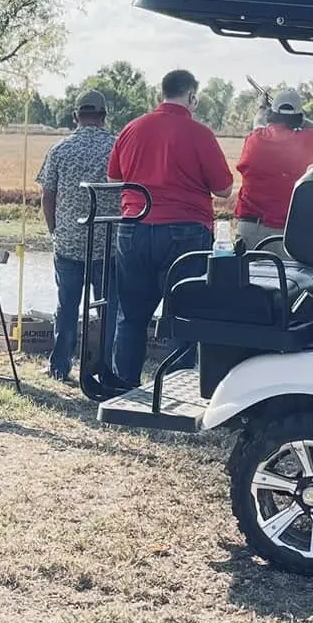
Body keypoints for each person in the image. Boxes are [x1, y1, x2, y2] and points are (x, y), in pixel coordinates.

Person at [106, 69, 232, 388]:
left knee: (131, 314)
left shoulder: (133, 128)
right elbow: (223, 189)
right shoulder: (199, 133)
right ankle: (177, 390)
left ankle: (124, 384)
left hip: (133, 227)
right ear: (191, 96)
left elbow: (113, 179)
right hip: (185, 229)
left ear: (160, 93)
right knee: (184, 316)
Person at [36, 89, 116, 381]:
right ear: (104, 117)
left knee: (67, 306)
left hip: (68, 242)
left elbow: (47, 195)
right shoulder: (117, 148)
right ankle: (106, 369)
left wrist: (54, 231)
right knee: (107, 309)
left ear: (75, 117)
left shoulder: (59, 149)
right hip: (107, 244)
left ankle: (60, 366)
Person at [233, 87, 313, 249]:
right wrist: (303, 120)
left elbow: (258, 123)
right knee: (286, 274)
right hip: (285, 230)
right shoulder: (305, 141)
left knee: (246, 274)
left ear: (272, 115)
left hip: (250, 228)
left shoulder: (255, 139)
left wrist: (261, 107)